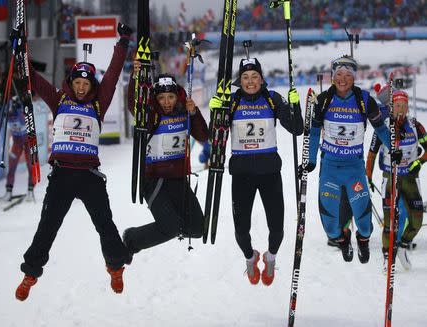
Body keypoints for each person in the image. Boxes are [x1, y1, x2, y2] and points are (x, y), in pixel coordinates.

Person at [15, 23, 133, 301]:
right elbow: (32, 77)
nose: (81, 88)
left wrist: (124, 41)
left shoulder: (98, 103)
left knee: (106, 225)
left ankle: (115, 267)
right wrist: (19, 51)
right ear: (71, 83)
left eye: (86, 84)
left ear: (91, 85)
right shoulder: (60, 99)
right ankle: (30, 274)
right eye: (77, 83)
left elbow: (114, 74)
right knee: (47, 227)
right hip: (62, 176)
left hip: (90, 176)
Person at [209, 58, 303, 285]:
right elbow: (215, 136)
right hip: (241, 174)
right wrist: (215, 114)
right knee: (241, 231)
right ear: (239, 81)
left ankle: (270, 257)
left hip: (270, 172)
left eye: (254, 77)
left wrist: (295, 106)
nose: (250, 82)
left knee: (277, 229)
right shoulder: (231, 101)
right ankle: (250, 258)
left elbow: (297, 129)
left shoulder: (272, 99)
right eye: (245, 77)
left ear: (262, 79)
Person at [302, 55, 393, 264]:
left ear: (354, 77)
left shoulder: (364, 100)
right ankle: (342, 240)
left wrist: (393, 149)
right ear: (333, 76)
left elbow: (380, 128)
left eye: (348, 75)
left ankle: (362, 240)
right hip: (330, 168)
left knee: (364, 220)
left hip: (354, 168)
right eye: (339, 74)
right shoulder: (324, 100)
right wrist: (312, 160)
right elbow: (314, 133)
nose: (343, 79)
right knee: (330, 224)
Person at [121, 62, 208, 266]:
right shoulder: (152, 115)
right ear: (155, 99)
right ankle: (132, 239)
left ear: (177, 96)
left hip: (178, 179)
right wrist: (135, 77)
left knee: (197, 228)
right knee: (169, 228)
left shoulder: (183, 112)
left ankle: (172, 225)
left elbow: (204, 135)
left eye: (170, 97)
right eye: (161, 98)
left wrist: (194, 113)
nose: (166, 102)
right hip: (154, 180)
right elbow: (134, 104)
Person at [366, 89, 427, 270]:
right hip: (390, 177)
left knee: (416, 220)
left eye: (404, 106)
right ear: (391, 107)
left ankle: (402, 245)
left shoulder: (416, 126)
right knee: (389, 222)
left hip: (409, 177)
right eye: (397, 105)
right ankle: (387, 255)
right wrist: (368, 176)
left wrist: (420, 162)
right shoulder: (382, 128)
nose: (400, 109)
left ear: (407, 108)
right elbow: (371, 153)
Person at [2, 96, 35, 201]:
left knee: (31, 166)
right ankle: (8, 192)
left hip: (28, 141)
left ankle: (30, 191)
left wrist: (20, 106)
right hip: (17, 142)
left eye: (11, 110)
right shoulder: (7, 115)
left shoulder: (21, 112)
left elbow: (23, 116)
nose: (9, 112)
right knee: (11, 167)